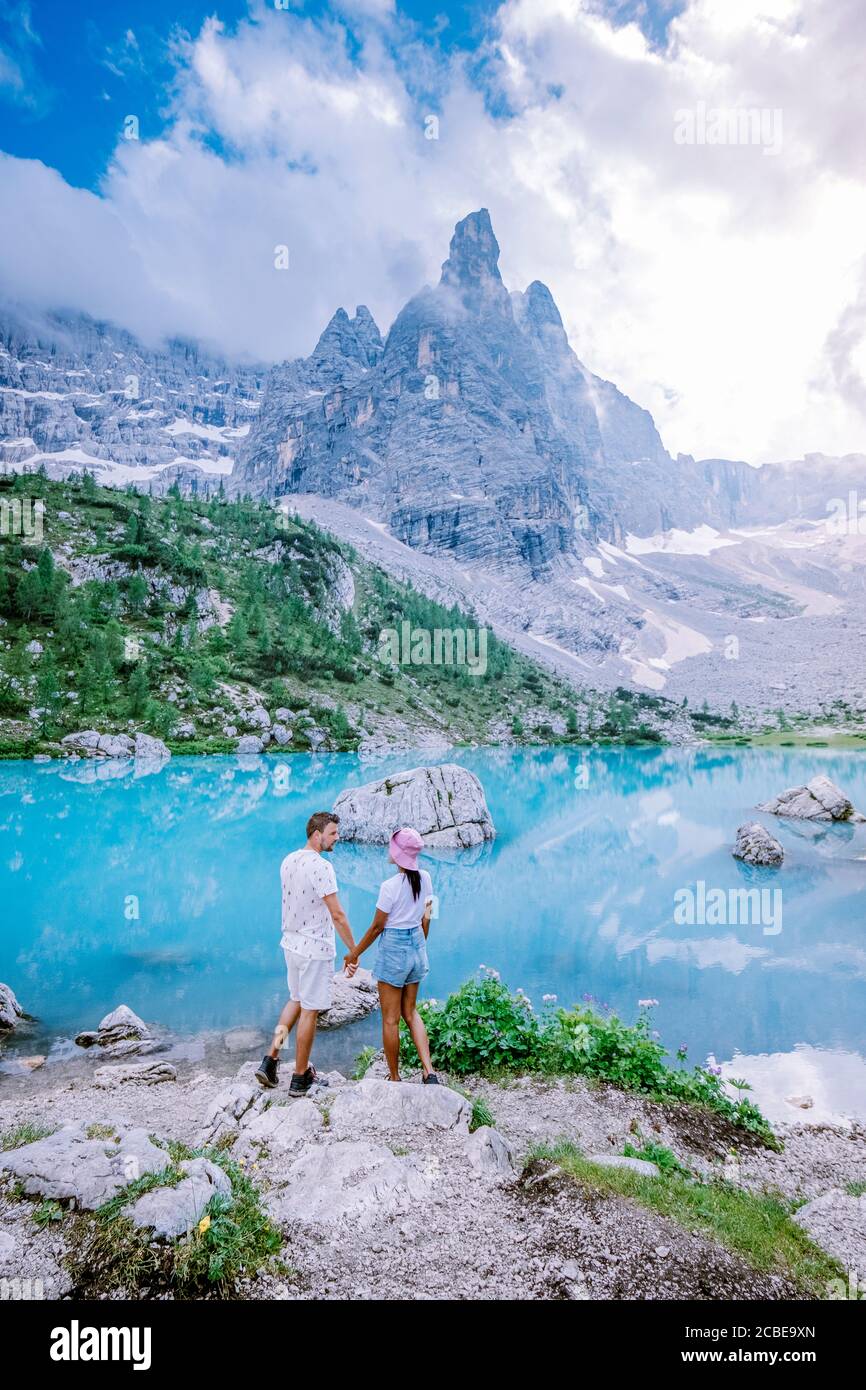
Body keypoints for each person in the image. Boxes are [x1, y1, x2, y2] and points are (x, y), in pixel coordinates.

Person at [256, 811, 356, 1095]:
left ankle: (269, 1061)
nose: (337, 837)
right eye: (333, 833)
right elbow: (337, 914)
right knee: (309, 1011)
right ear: (317, 834)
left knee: (295, 1002)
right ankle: (300, 1078)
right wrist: (353, 949)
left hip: (291, 944)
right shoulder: (321, 867)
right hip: (314, 949)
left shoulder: (288, 860)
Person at [344, 826, 439, 1084]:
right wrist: (421, 942)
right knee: (411, 1012)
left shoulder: (389, 886)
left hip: (394, 951)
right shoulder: (427, 878)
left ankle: (394, 1078)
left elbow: (377, 927)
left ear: (397, 854)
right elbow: (429, 914)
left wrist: (353, 954)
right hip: (418, 947)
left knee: (390, 1020)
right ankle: (429, 1071)